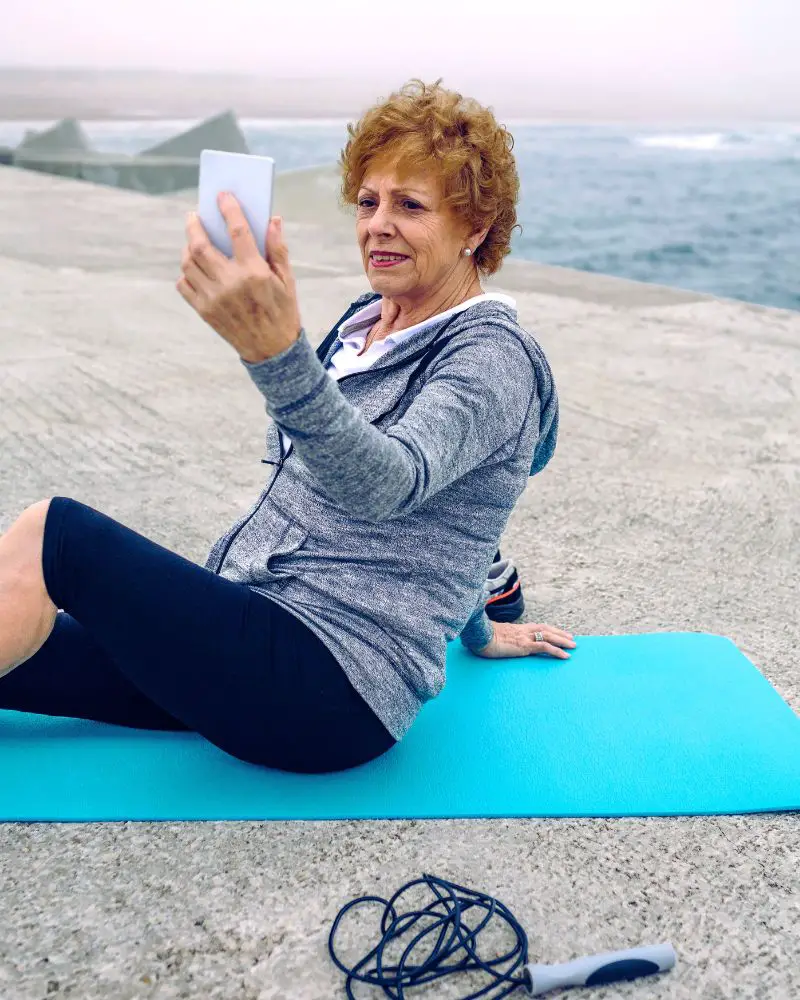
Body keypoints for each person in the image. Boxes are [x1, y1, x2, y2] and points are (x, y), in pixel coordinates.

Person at [0, 79, 575, 775]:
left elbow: (396, 482)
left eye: (411, 206)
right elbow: (466, 509)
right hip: (254, 635)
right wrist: (481, 624)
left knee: (55, 537)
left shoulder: (491, 358)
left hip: (330, 690)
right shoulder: (368, 321)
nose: (378, 224)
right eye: (369, 202)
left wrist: (276, 356)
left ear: (475, 230)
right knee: (21, 647)